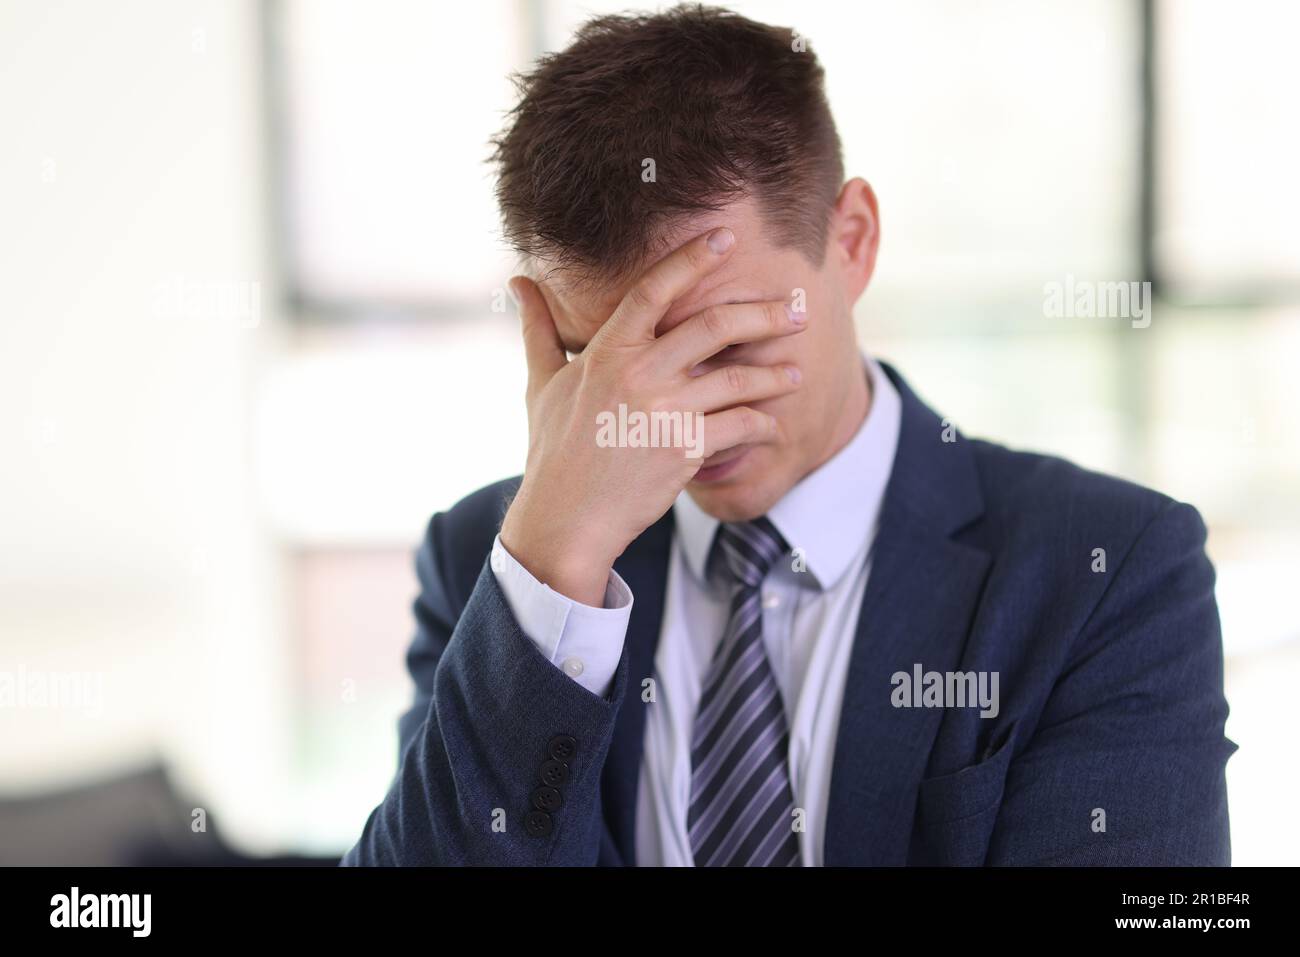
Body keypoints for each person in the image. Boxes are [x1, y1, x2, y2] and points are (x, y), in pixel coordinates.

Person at [342, 4, 1233, 866]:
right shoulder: (498, 568)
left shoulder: (1106, 571)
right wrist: (551, 574)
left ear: (853, 242)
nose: (680, 425)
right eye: (609, 372)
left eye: (725, 344)